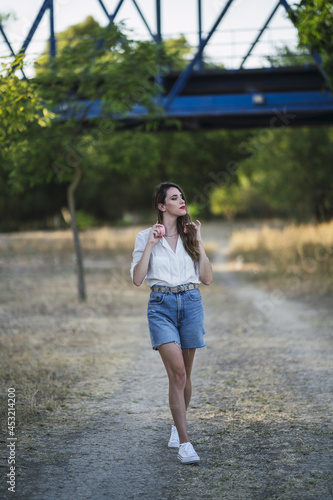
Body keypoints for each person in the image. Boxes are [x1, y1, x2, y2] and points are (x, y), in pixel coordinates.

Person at [130, 182, 212, 464]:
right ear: (161, 206)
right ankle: (185, 444)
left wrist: (200, 241)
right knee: (177, 373)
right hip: (161, 306)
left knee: (185, 375)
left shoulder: (190, 235)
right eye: (174, 198)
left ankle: (178, 427)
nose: (182, 201)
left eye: (183, 197)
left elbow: (207, 278)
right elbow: (138, 278)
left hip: (190, 303)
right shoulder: (145, 236)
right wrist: (151, 245)